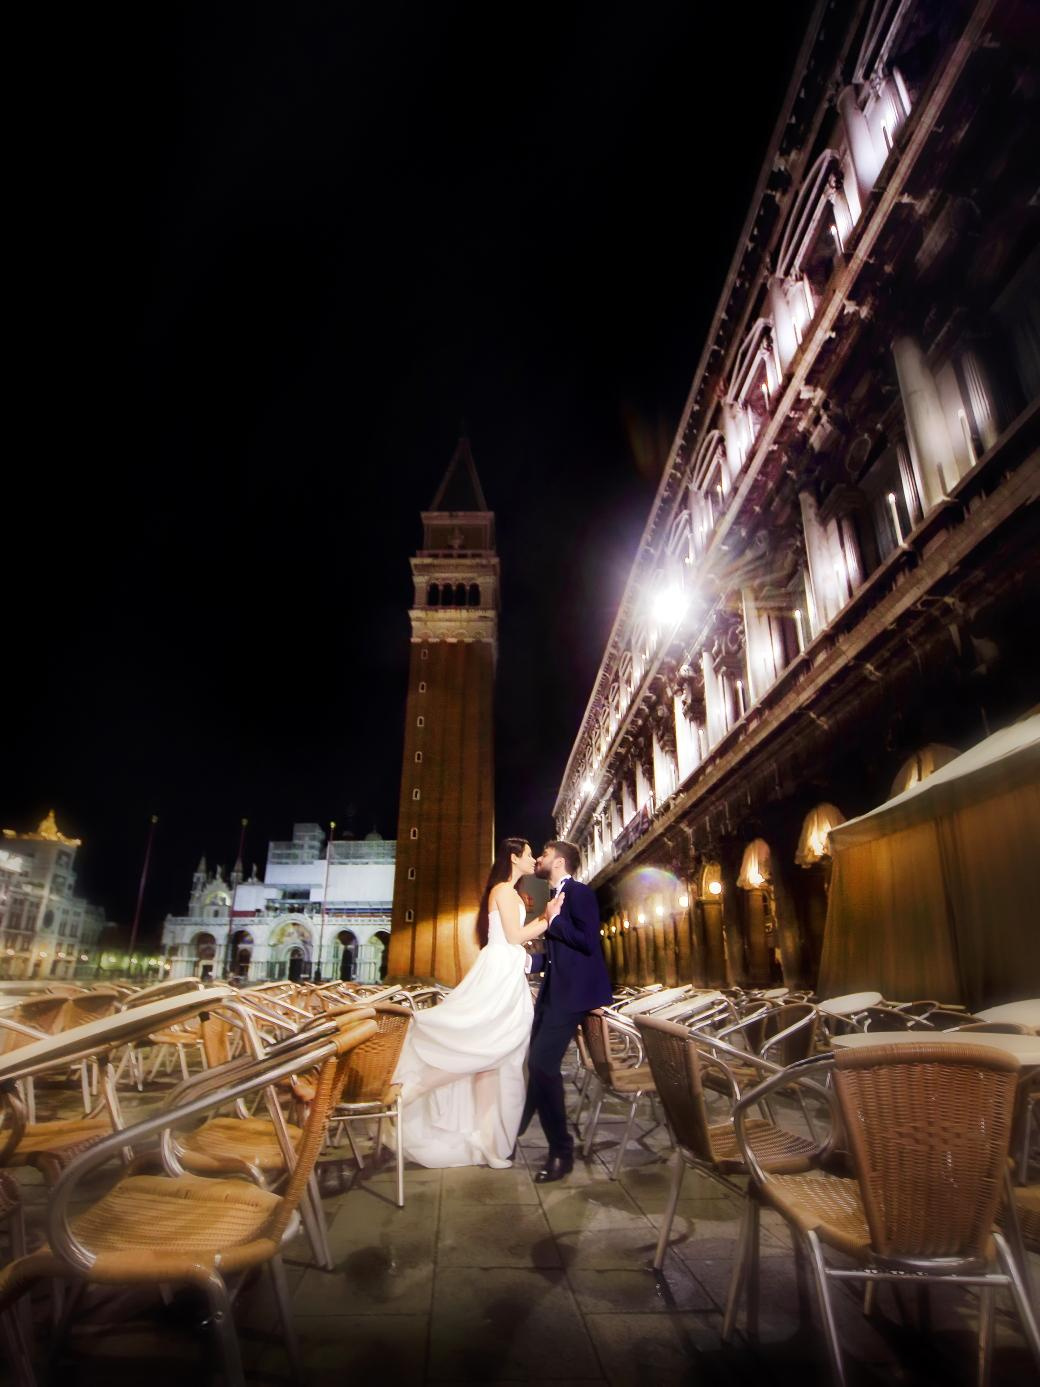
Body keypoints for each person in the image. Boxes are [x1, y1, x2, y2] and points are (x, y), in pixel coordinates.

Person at [392, 837, 549, 1168]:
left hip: (504, 971)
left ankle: (486, 1141)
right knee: (484, 1048)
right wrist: (548, 918)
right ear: (513, 856)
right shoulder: (504, 891)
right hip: (499, 975)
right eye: (529, 854)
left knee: (491, 1057)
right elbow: (514, 937)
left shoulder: (509, 892)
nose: (534, 859)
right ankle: (409, 1093)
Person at [520, 839, 614, 1183]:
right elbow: (561, 954)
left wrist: (554, 920)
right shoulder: (554, 896)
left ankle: (561, 1151)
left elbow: (588, 941)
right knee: (535, 1064)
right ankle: (516, 1131)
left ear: (558, 862)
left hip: (572, 997)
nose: (540, 860)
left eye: (543, 855)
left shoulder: (581, 893)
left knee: (543, 1066)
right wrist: (524, 961)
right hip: (553, 993)